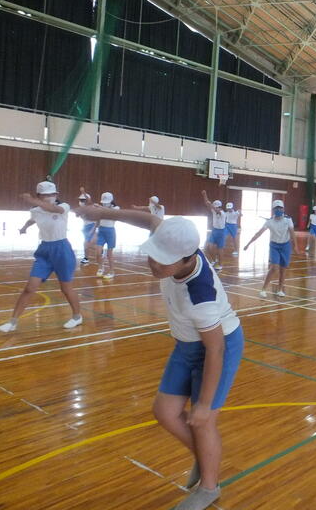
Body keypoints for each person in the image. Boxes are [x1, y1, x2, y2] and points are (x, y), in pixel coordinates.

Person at [72, 205, 243, 510]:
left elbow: (215, 350)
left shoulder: (200, 296)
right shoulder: (177, 242)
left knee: (203, 423)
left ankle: (209, 487)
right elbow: (151, 220)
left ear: (188, 258)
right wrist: (102, 212)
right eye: (152, 255)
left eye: (162, 260)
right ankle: (204, 456)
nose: (153, 263)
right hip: (187, 344)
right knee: (165, 412)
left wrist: (204, 405)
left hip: (219, 347)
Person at [0, 181, 82, 333]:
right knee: (29, 288)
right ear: (39, 196)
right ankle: (13, 322)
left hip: (62, 249)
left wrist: (32, 200)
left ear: (56, 194)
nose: (48, 197)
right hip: (44, 250)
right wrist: (24, 228)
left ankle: (77, 317)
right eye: (44, 195)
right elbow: (32, 219)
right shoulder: (35, 210)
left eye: (51, 194)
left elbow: (53, 209)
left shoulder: (63, 207)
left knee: (66, 288)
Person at [244, 200, 296, 298]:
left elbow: (292, 233)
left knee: (283, 269)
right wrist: (248, 244)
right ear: (273, 210)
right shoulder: (269, 222)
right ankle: (263, 289)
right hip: (274, 246)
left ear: (283, 209)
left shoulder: (288, 220)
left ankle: (280, 290)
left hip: (285, 246)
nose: (278, 210)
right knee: (274, 268)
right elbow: (258, 233)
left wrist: (295, 246)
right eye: (276, 208)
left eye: (280, 208)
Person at [95, 192, 119, 279]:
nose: (104, 204)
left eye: (106, 202)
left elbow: (110, 212)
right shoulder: (101, 209)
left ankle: (112, 271)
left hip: (110, 232)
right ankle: (100, 267)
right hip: (101, 231)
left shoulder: (116, 208)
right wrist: (93, 230)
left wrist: (99, 207)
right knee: (98, 252)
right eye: (103, 202)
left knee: (109, 254)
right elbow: (98, 220)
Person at [201, 192, 226, 270]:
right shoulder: (214, 211)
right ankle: (214, 260)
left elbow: (215, 209)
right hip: (214, 231)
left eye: (216, 207)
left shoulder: (222, 213)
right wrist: (204, 195)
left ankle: (220, 264)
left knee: (220, 249)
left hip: (221, 232)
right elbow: (207, 203)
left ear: (219, 207)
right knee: (209, 246)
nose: (215, 208)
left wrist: (211, 205)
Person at [77, 187, 96, 264]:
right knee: (86, 243)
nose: (81, 201)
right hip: (85, 227)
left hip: (92, 226)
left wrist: (83, 192)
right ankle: (86, 257)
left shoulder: (92, 206)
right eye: (81, 200)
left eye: (83, 200)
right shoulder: (82, 208)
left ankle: (99, 251)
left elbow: (89, 201)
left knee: (89, 243)